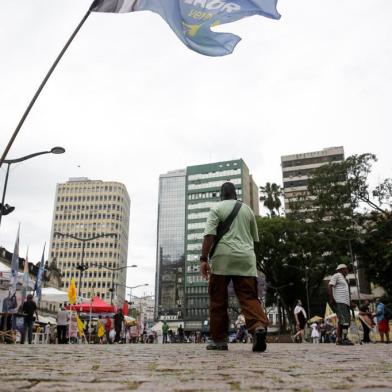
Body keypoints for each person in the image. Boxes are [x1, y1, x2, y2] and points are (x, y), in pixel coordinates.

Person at [200, 182, 269, 352]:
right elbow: (253, 238)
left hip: (222, 258)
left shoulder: (216, 209)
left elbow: (209, 235)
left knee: (218, 300)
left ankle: (219, 341)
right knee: (249, 297)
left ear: (221, 195)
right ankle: (258, 327)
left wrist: (203, 259)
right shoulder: (248, 210)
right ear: (235, 194)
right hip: (246, 258)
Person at [328, 264, 354, 345]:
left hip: (345, 302)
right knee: (345, 320)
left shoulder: (345, 279)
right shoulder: (337, 275)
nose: (347, 271)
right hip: (339, 301)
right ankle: (344, 338)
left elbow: (346, 292)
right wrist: (331, 298)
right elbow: (329, 286)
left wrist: (350, 302)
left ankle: (339, 339)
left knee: (344, 321)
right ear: (341, 269)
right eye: (346, 269)